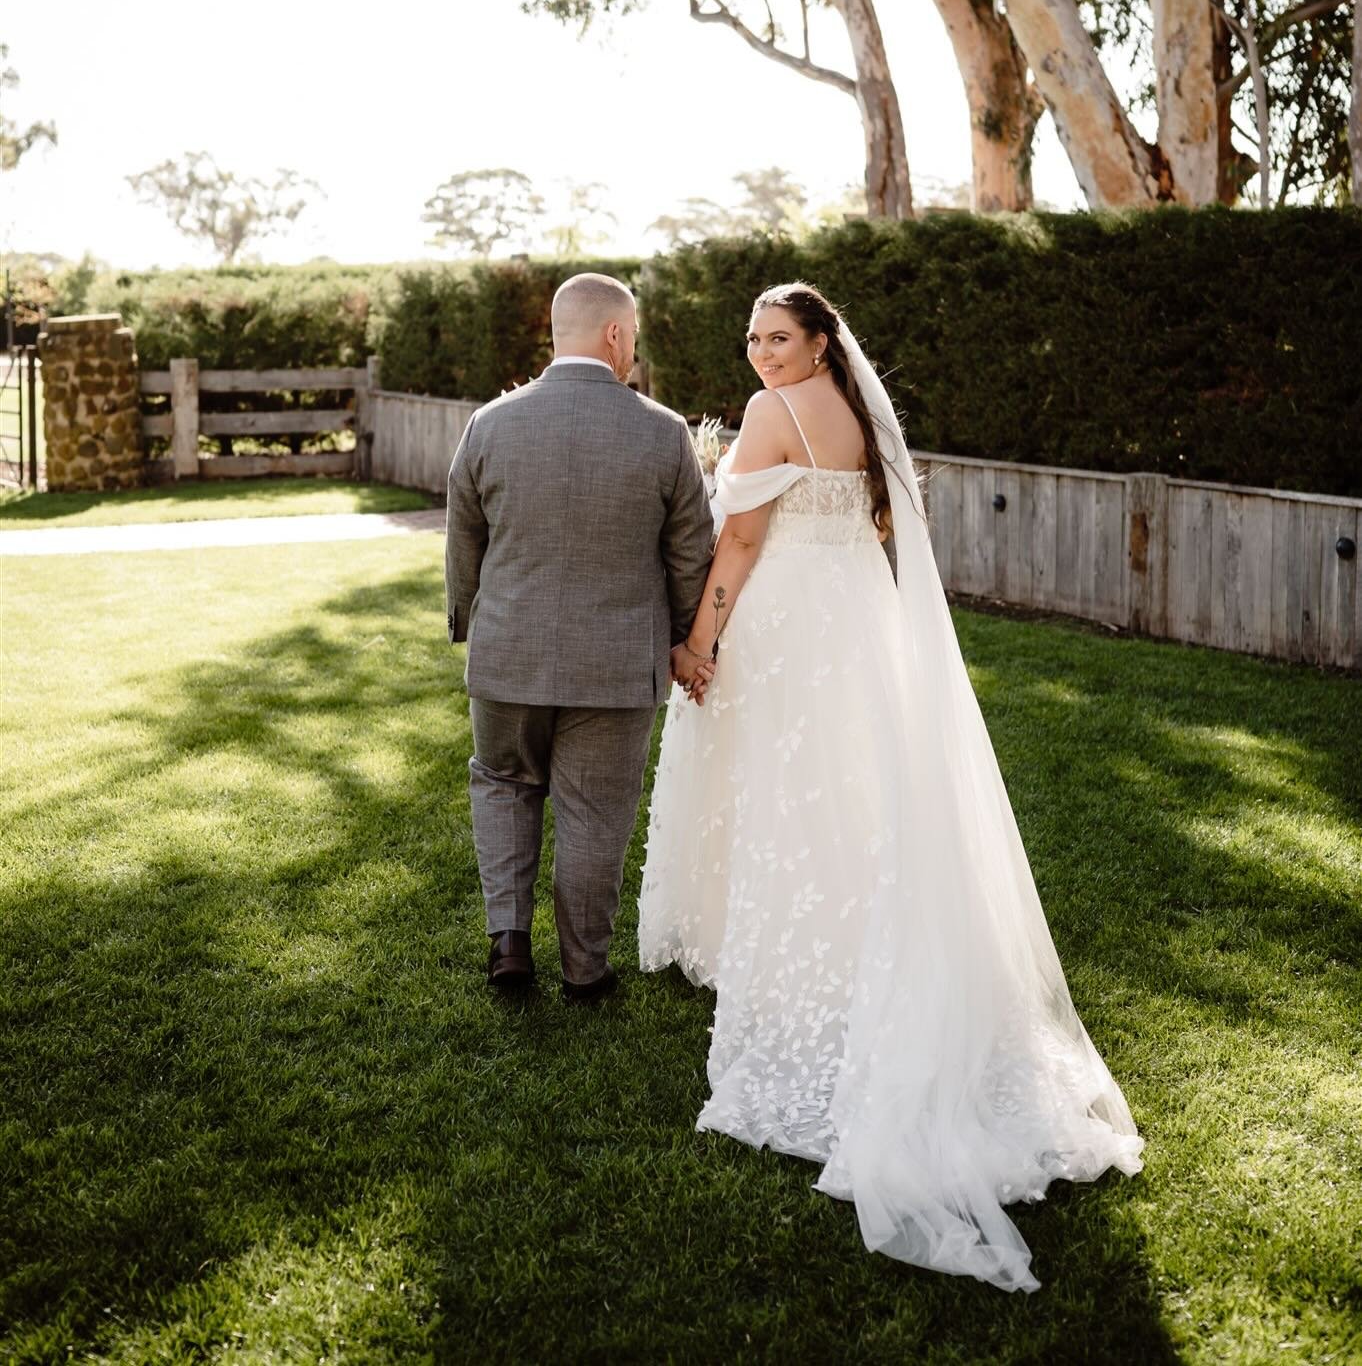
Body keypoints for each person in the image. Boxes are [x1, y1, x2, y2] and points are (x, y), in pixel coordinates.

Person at [639, 282, 1143, 1291]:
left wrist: (699, 638)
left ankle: (803, 961)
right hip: (857, 622)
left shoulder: (771, 415)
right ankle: (866, 939)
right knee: (857, 794)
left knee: (787, 787)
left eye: (779, 337)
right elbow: (872, 533)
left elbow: (739, 540)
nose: (760, 354)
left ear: (822, 342)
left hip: (788, 622)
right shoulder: (863, 418)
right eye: (751, 339)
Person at [446, 273, 714, 1002]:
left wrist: (469, 622)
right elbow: (692, 552)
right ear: (616, 335)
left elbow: (463, 536)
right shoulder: (663, 432)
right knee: (595, 813)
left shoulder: (489, 424)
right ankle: (585, 970)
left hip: (507, 655)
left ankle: (508, 938)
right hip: (616, 664)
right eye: (635, 338)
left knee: (503, 785)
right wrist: (692, 639)